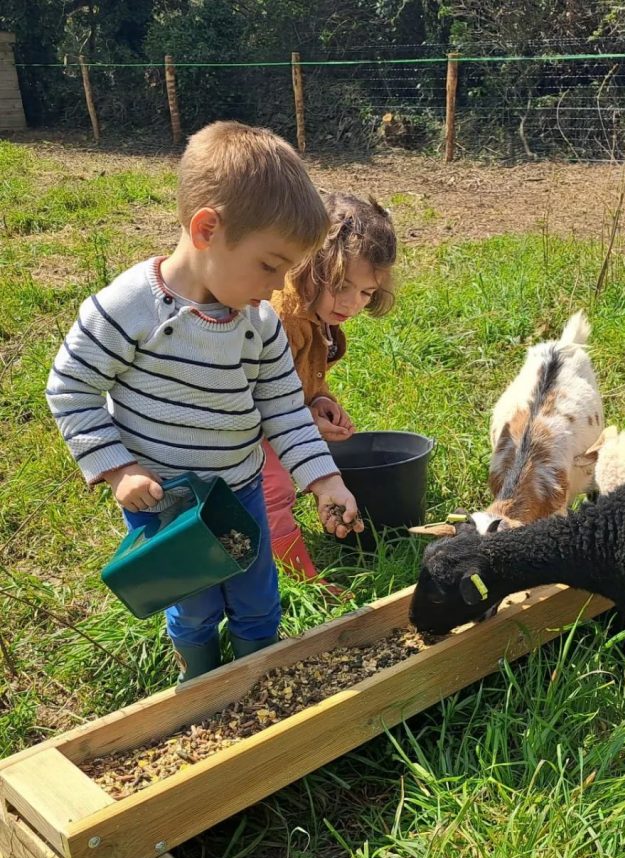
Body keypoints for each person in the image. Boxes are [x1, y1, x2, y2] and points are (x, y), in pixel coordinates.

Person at [45, 121, 362, 681]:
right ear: (207, 229)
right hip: (166, 501)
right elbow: (71, 388)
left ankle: (255, 681)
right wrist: (117, 469)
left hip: (239, 492)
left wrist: (324, 481)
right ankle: (200, 683)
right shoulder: (127, 309)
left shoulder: (258, 323)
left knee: (257, 598)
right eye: (269, 265)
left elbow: (286, 410)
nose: (276, 286)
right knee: (193, 607)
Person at [263, 192, 397, 580]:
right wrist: (303, 419)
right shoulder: (280, 319)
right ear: (310, 266)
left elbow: (298, 380)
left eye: (366, 293)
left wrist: (319, 401)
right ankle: (296, 577)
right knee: (274, 491)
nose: (353, 303)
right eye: (342, 285)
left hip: (278, 418)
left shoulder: (318, 313)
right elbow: (261, 397)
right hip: (245, 426)